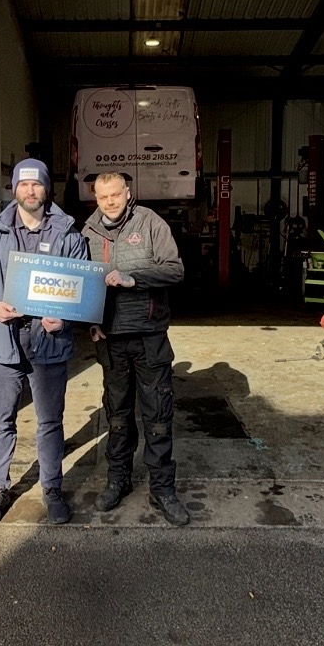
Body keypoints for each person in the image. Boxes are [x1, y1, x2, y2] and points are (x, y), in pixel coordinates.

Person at [0, 158, 90, 525]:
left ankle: (52, 487)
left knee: (50, 420)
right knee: (1, 418)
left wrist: (64, 317)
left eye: (37, 184)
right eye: (23, 184)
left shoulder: (68, 234)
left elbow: (81, 287)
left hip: (49, 342)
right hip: (3, 341)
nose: (30, 191)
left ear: (46, 189)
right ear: (14, 188)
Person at [82, 171, 189, 526]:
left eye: (115, 194)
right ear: (96, 198)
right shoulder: (87, 233)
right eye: (102, 197)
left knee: (157, 417)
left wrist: (134, 279)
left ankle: (163, 489)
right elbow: (81, 283)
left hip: (149, 337)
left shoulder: (150, 223)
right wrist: (90, 321)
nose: (109, 202)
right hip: (111, 340)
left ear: (127, 193)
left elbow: (175, 270)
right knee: (117, 416)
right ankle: (118, 480)